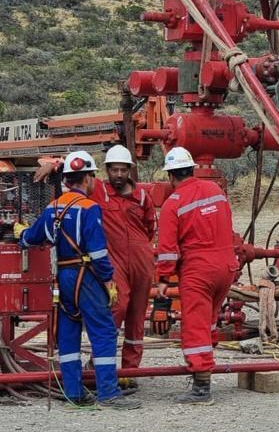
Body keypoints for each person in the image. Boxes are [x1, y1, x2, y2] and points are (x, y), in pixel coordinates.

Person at [18, 150, 141, 409]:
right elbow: (98, 252)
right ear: (87, 179)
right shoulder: (89, 208)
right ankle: (108, 394)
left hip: (62, 277)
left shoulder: (52, 207)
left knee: (68, 332)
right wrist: (108, 280)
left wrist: (21, 233)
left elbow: (32, 238)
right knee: (103, 332)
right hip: (86, 277)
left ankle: (73, 393)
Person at [35, 146, 156, 387]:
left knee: (137, 317)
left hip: (142, 262)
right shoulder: (98, 190)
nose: (118, 174)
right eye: (114, 170)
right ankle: (99, 365)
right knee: (116, 307)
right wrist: (54, 165)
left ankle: (130, 372)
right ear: (107, 170)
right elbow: (78, 169)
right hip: (114, 261)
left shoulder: (142, 197)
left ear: (130, 170)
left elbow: (151, 227)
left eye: (123, 170)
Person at [155, 146, 238, 405]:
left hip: (199, 272)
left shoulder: (173, 204)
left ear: (170, 176)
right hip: (226, 267)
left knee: (194, 326)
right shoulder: (216, 191)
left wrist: (163, 280)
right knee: (209, 320)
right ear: (192, 169)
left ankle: (201, 386)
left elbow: (167, 251)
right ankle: (205, 367)